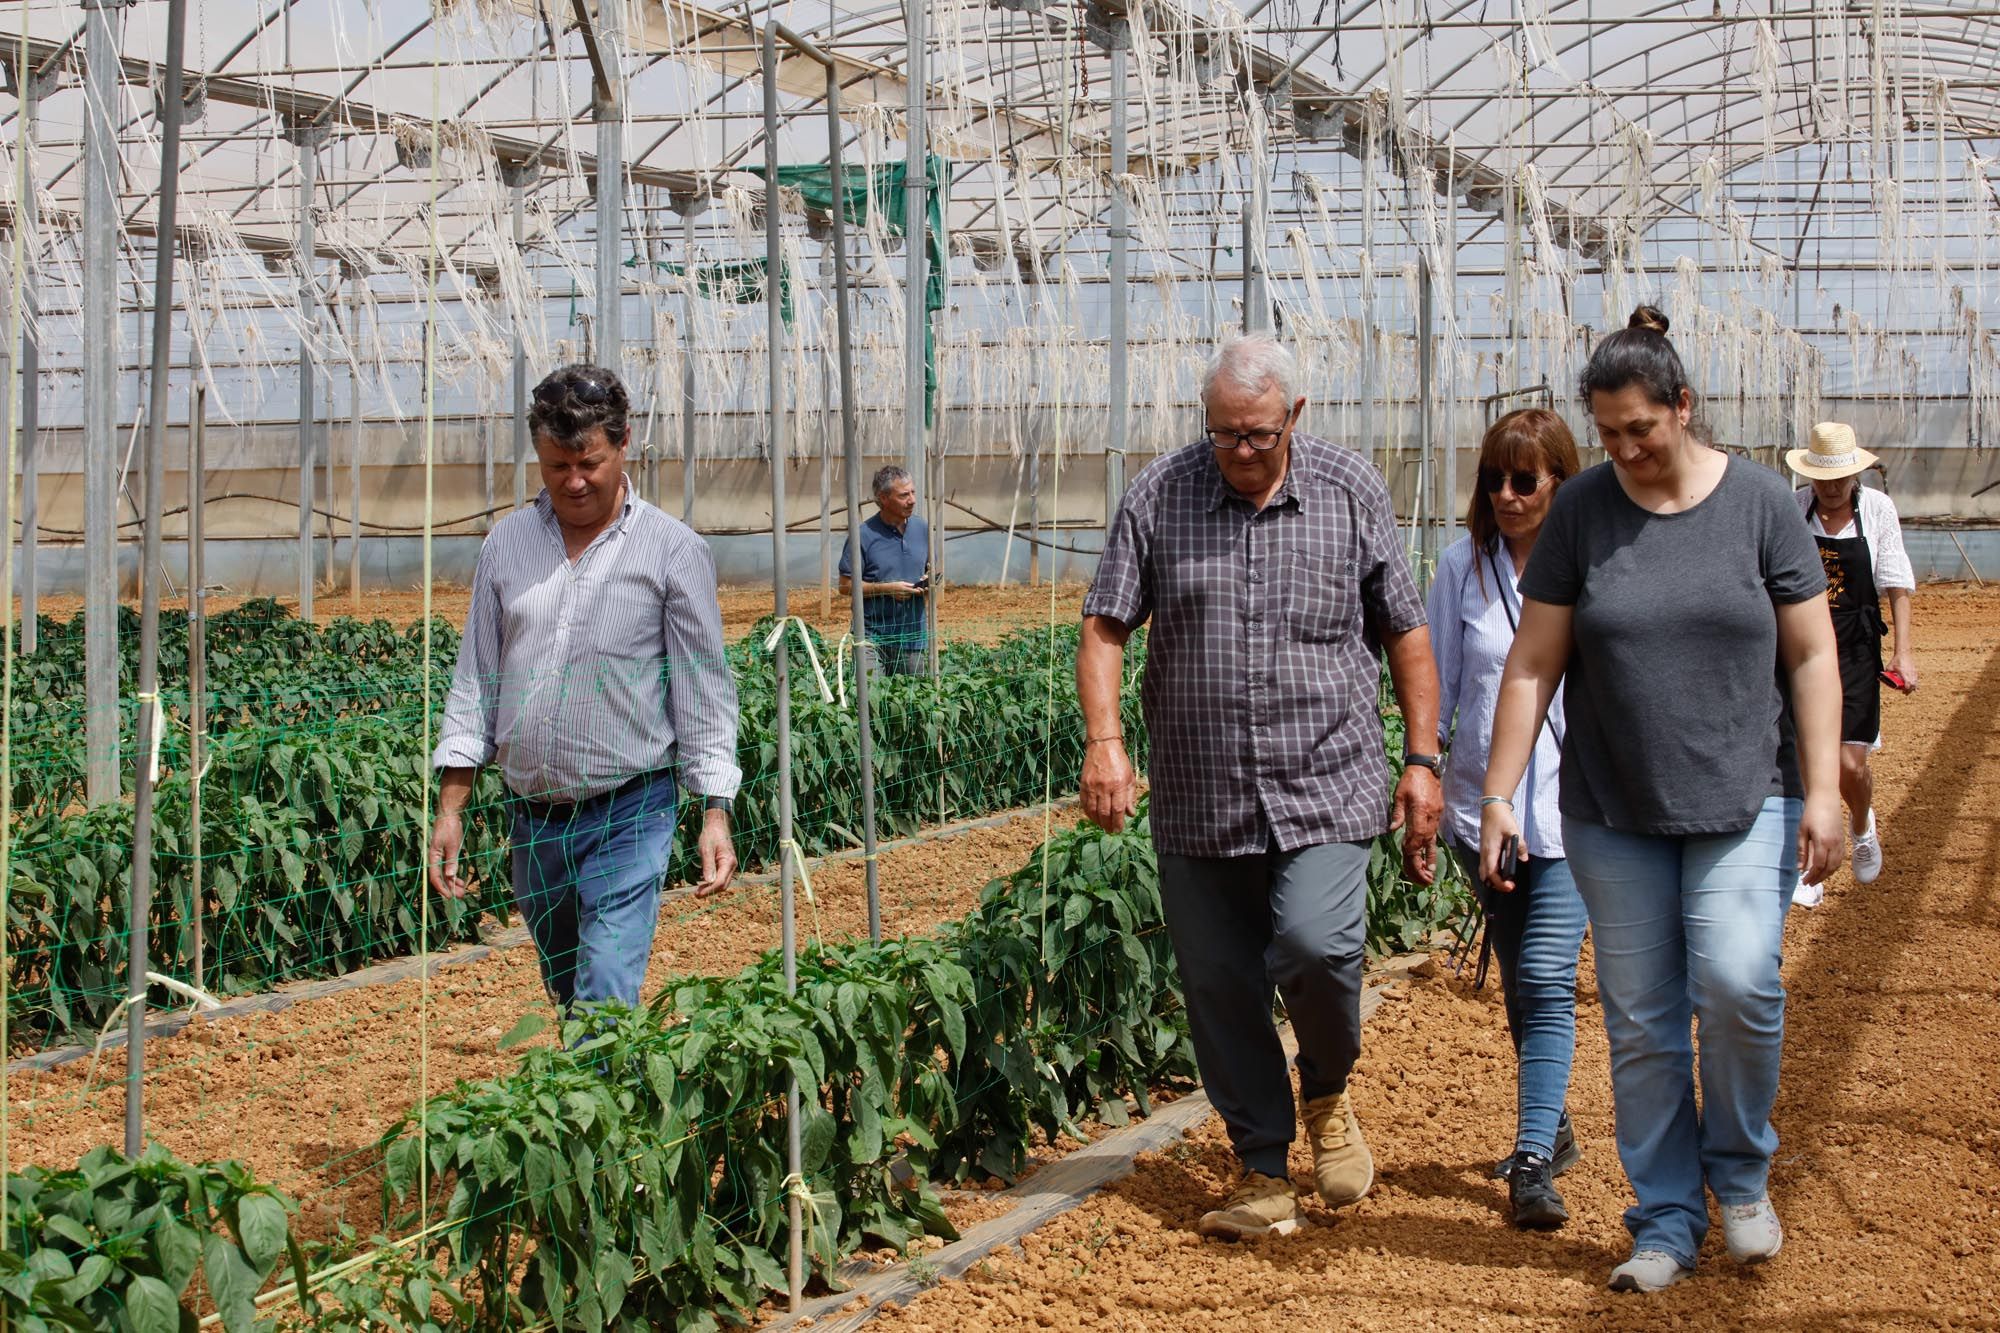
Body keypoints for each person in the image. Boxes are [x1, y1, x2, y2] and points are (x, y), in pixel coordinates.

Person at [1479, 307, 1844, 1293]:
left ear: (1681, 407)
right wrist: (1499, 794)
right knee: (1641, 1020)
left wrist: (1823, 791)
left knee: (1736, 985)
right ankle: (1665, 1219)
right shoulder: (1585, 513)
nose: (1625, 450)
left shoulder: (1762, 508)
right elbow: (1532, 662)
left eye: (1640, 427)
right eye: (1606, 433)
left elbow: (1809, 653)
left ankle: (1738, 1174)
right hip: (1611, 809)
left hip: (1745, 797)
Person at [1078, 334, 1443, 1242]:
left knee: (1316, 947)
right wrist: (1106, 742)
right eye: (1226, 435)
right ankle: (1261, 1164)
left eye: (1260, 435)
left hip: (1325, 778)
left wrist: (1423, 758)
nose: (1243, 452)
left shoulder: (1351, 490)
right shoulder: (1160, 494)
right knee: (1219, 983)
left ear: (1296, 418)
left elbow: (1406, 634)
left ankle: (1324, 1087)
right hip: (1203, 793)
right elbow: (1104, 626)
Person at [429, 364, 742, 1013]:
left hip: (630, 809)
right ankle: (605, 1108)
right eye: (555, 465)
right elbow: (476, 677)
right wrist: (451, 805)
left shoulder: (670, 549)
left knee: (604, 993)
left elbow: (702, 688)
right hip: (535, 820)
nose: (573, 480)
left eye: (588, 463)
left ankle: (596, 1105)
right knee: (570, 989)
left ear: (624, 443)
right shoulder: (507, 545)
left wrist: (716, 809)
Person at [1426, 408, 1586, 1231]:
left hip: (1574, 807)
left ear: (1562, 478)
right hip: (1478, 812)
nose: (1509, 494)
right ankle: (1551, 1127)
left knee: (1549, 976)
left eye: (1526, 479)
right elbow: (1443, 688)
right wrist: (1420, 777)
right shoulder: (1463, 567)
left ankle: (1529, 1161)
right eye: (1496, 479)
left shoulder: (1595, 562)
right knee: (1524, 981)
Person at [1786, 421, 1918, 908]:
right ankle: (1811, 866)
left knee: (1847, 762)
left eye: (1840, 477)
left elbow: (1897, 584)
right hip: (1801, 646)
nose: (1832, 486)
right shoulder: (1795, 508)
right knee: (1803, 758)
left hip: (1856, 646)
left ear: (1854, 473)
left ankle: (1861, 823)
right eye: (1823, 477)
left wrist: (1903, 652)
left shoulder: (1877, 510)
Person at [839, 465, 931, 677]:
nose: (912, 500)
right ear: (883, 498)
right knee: (871, 698)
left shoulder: (922, 529)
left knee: (912, 700)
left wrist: (927, 582)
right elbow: (844, 586)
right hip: (871, 637)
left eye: (913, 492)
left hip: (912, 635)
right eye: (903, 495)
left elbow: (930, 567)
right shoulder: (863, 535)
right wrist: (886, 589)